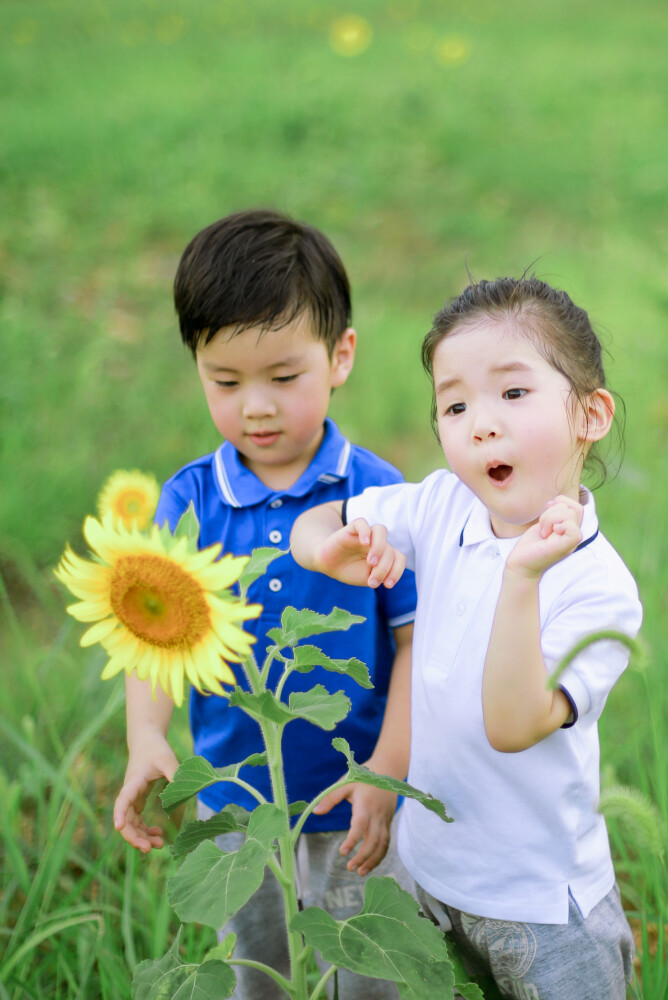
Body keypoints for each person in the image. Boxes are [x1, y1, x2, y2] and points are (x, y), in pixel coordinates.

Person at [290, 275, 643, 1000]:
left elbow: (513, 725)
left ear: (591, 414)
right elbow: (318, 521)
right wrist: (328, 548)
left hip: (545, 912)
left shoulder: (596, 589)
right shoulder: (444, 504)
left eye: (513, 393)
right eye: (455, 404)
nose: (480, 422)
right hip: (432, 878)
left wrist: (521, 578)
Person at [112, 209, 418, 1000]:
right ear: (197, 368)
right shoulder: (188, 504)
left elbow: (417, 640)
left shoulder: (379, 494)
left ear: (340, 356)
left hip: (353, 800)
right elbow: (153, 641)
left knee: (369, 972)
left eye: (284, 378)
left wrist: (388, 769)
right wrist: (147, 733)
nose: (257, 406)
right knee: (254, 976)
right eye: (226, 381)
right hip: (236, 809)